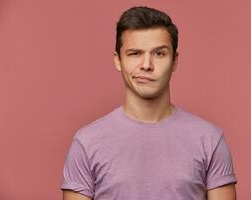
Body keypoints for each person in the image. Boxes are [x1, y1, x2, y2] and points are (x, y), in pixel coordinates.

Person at [61, 6, 237, 200]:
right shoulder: (86, 143)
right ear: (118, 60)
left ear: (175, 61)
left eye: (159, 54)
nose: (146, 65)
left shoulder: (210, 140)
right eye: (135, 53)